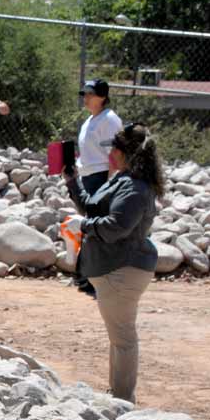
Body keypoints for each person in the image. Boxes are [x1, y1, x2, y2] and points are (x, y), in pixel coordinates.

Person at [65, 123, 162, 404]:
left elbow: (116, 227)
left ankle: (123, 401)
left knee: (123, 339)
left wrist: (84, 225)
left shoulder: (134, 188)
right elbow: (94, 208)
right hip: (114, 268)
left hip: (123, 269)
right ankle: (118, 397)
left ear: (124, 153)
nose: (110, 155)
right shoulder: (123, 180)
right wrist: (73, 183)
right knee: (118, 337)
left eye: (114, 149)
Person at [72, 78, 125, 297]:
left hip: (102, 177)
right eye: (84, 94)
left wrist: (110, 185)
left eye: (90, 94)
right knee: (90, 226)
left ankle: (97, 278)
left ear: (102, 97)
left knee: (97, 227)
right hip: (88, 176)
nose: (86, 98)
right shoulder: (90, 121)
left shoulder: (110, 120)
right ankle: (87, 277)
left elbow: (115, 154)